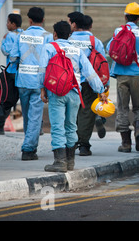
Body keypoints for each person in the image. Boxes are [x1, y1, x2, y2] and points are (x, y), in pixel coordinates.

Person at [39, 21, 107, 172]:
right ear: (69, 35)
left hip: (57, 92)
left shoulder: (50, 47)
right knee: (71, 126)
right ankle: (70, 162)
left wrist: (42, 89)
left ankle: (59, 162)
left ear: (54, 34)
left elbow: (42, 71)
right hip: (75, 92)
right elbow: (89, 72)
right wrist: (100, 90)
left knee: (57, 126)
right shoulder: (77, 50)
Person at [107, 2, 139, 153]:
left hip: (121, 75)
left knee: (122, 108)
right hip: (138, 75)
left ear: (125, 16)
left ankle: (126, 143)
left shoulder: (118, 30)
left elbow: (110, 48)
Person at [9, 7, 53, 160]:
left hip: (22, 81)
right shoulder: (48, 37)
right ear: (43, 19)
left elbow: (13, 57)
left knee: (28, 115)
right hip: (39, 82)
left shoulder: (21, 36)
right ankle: (28, 149)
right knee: (35, 116)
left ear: (29, 20)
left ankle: (30, 144)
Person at [68, 12, 109, 156]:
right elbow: (103, 63)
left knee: (71, 112)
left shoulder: (68, 39)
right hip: (90, 82)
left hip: (71, 81)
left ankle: (70, 143)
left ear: (74, 24)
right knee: (87, 113)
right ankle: (84, 145)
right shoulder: (94, 41)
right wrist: (105, 83)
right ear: (89, 25)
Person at [0, 13, 23, 135]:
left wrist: (3, 40)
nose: (6, 24)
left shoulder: (10, 35)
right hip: (24, 73)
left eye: (7, 22)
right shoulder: (24, 34)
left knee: (6, 99)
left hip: (11, 72)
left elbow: (6, 51)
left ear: (13, 24)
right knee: (27, 100)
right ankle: (38, 128)